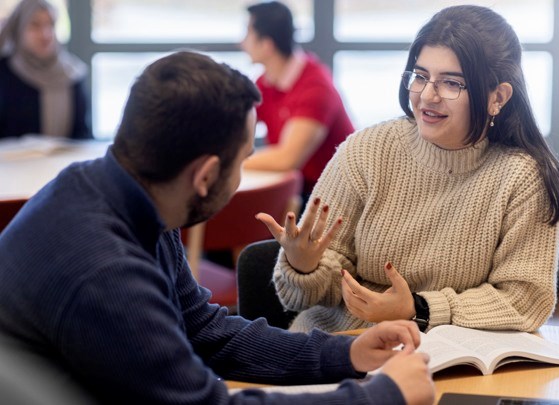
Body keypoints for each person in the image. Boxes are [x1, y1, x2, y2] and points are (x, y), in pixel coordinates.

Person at [0, 51, 434, 405]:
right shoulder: (105, 270)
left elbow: (203, 331)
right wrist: (380, 397)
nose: (243, 171)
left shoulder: (124, 190)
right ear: (205, 175)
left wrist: (347, 352)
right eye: (243, 159)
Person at [257, 5, 559, 334]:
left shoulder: (523, 178)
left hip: (451, 358)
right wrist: (303, 265)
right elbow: (302, 296)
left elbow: (525, 299)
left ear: (498, 97)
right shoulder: (368, 150)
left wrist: (418, 309)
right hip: (340, 346)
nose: (427, 96)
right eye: (420, 77)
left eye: (451, 83)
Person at [240, 1, 354, 204]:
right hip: (300, 191)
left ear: (266, 44)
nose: (241, 43)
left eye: (247, 34)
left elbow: (287, 159)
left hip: (332, 198)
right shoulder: (266, 82)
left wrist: (227, 162)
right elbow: (235, 129)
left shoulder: (315, 86)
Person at [0, 0, 91, 139]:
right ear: (19, 28)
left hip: (64, 160)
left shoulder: (71, 74)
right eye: (35, 25)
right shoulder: (4, 72)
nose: (45, 34)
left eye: (51, 25)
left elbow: (83, 136)